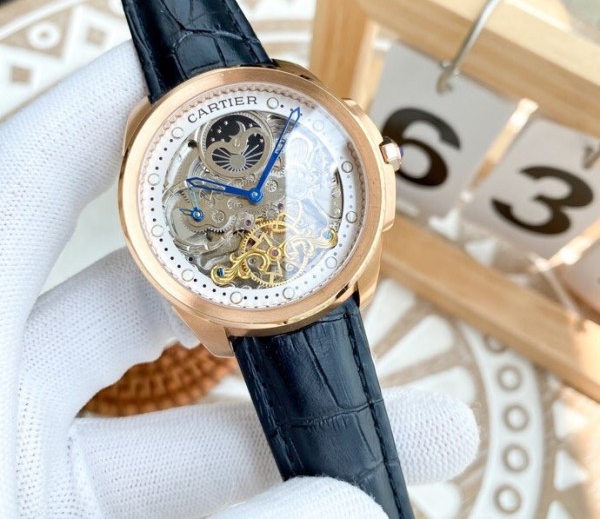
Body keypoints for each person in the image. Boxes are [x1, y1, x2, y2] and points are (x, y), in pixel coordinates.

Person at [0, 41, 479, 518]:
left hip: (303, 258)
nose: (253, 193)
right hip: (233, 267)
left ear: (380, 155)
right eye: (223, 155)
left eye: (250, 154)